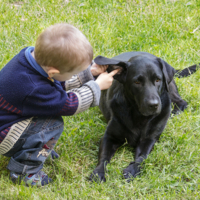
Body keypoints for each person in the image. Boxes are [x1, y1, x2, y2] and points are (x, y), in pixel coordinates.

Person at [0, 23, 119, 187]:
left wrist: (88, 72)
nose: (76, 75)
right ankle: (24, 171)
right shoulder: (34, 88)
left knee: (47, 121)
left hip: (10, 119)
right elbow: (69, 104)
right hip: (4, 135)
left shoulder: (31, 59)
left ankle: (37, 148)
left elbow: (55, 83)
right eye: (74, 73)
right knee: (52, 125)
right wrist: (96, 87)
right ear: (53, 72)